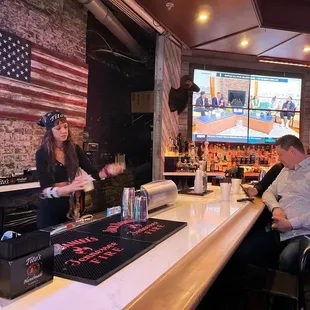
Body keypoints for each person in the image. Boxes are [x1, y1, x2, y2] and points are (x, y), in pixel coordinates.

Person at [35, 111, 125, 229]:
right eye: (58, 128)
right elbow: (45, 190)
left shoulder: (75, 149)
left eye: (65, 127)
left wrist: (108, 171)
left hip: (69, 210)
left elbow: (94, 173)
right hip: (49, 212)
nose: (63, 131)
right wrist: (69, 188)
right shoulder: (42, 154)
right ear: (50, 132)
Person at [262, 134, 310, 274]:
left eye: (281, 154)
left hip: (302, 233)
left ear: (292, 151)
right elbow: (268, 192)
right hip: (278, 230)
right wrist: (276, 207)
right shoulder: (284, 171)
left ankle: (287, 294)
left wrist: (291, 224)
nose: (279, 159)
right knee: (246, 249)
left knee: (287, 259)